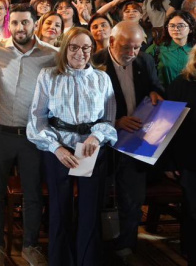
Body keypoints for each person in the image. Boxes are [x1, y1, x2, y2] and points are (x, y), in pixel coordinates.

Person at [28, 27, 117, 266]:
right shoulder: (48, 75)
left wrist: (96, 137)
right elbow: (37, 118)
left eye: (86, 48)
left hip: (91, 150)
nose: (80, 53)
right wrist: (55, 148)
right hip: (59, 150)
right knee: (59, 210)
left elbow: (108, 119)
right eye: (74, 47)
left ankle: (87, 261)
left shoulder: (101, 78)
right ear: (65, 48)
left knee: (90, 211)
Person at [0, 4, 57, 266]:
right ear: (8, 25)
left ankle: (30, 246)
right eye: (15, 23)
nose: (20, 28)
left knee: (32, 194)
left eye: (26, 23)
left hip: (33, 136)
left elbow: (81, 66)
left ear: (35, 24)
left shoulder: (52, 55)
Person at [91, 21, 164, 265]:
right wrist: (115, 122)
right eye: (126, 47)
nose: (132, 53)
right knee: (99, 199)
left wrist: (155, 92)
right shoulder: (95, 63)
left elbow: (155, 85)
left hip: (135, 143)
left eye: (136, 47)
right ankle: (97, 248)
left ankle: (126, 248)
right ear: (112, 42)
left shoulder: (145, 61)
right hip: (104, 143)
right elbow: (87, 109)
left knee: (132, 201)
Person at [164, 47, 196, 265]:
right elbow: (166, 125)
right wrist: (169, 162)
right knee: (193, 209)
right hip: (189, 157)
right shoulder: (180, 84)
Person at [145, 11, 196, 89]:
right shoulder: (156, 49)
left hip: (190, 96)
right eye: (172, 26)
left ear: (190, 29)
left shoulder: (194, 50)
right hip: (164, 96)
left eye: (181, 25)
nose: (176, 29)